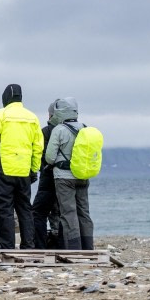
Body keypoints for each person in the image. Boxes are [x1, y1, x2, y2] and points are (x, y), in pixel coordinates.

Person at [0, 83, 44, 250]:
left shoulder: (0, 115)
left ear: (5, 98)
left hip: (3, 169)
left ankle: (7, 246)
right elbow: (38, 146)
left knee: (4, 209)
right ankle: (28, 245)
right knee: (25, 209)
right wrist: (34, 168)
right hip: (24, 170)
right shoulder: (32, 117)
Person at [44, 97, 94, 250]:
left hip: (64, 177)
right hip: (83, 175)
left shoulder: (59, 130)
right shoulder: (85, 128)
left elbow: (50, 157)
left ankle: (74, 248)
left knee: (68, 213)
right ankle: (88, 246)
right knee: (84, 212)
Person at [32, 101, 62, 248]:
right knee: (61, 212)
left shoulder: (45, 132)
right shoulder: (73, 131)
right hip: (67, 178)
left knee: (38, 212)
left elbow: (40, 155)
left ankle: (40, 245)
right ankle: (62, 243)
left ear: (50, 115)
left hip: (48, 178)